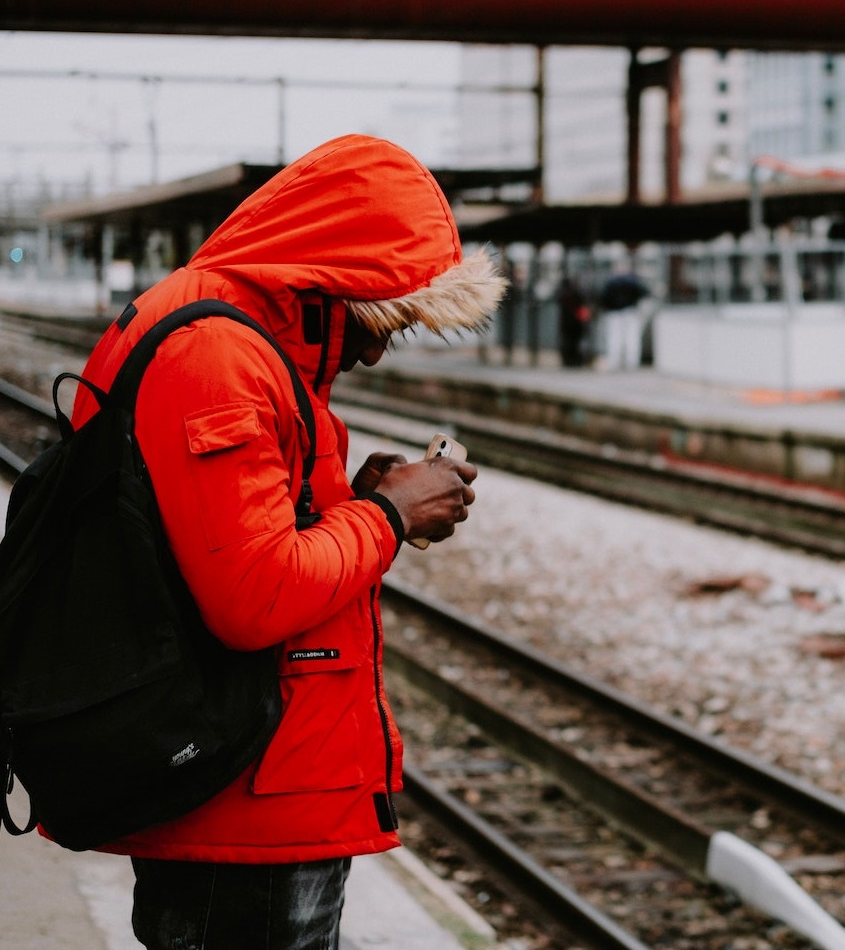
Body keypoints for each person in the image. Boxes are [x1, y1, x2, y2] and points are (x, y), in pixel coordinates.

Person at [66, 134, 506, 949]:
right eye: (379, 319)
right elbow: (254, 594)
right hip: (243, 796)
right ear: (329, 280)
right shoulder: (216, 354)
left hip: (259, 779)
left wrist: (356, 498)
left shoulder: (242, 342)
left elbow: (227, 535)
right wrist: (390, 517)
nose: (375, 349)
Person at [597, 270, 649, 370]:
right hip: (630, 312)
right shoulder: (632, 281)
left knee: (614, 338)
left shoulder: (610, 281)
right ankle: (632, 362)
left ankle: (614, 362)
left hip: (613, 313)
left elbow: (603, 297)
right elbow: (644, 292)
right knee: (632, 338)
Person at [557, 274, 590, 367]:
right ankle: (574, 360)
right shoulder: (577, 293)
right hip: (575, 322)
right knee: (573, 341)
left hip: (568, 322)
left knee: (569, 341)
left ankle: (570, 360)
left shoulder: (563, 293)